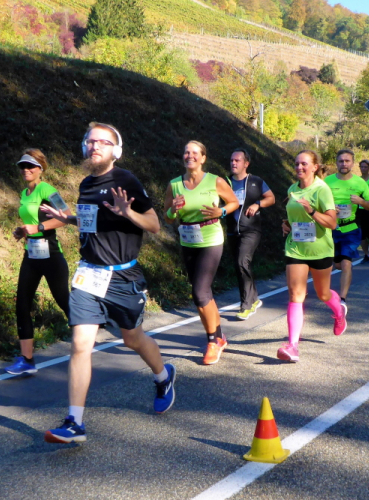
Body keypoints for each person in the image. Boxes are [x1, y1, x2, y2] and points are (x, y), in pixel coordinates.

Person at [40, 122, 175, 444]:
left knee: (132, 339)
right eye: (90, 141)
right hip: (88, 275)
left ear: (116, 150)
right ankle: (75, 422)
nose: (95, 146)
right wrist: (69, 219)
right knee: (80, 344)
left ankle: (163, 376)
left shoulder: (125, 180)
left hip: (122, 277)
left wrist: (129, 213)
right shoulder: (86, 184)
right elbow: (93, 222)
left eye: (103, 142)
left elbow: (154, 225)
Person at [165, 141, 239, 365]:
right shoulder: (174, 184)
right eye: (186, 152)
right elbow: (167, 217)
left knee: (199, 293)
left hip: (211, 239)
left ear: (203, 158)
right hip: (188, 239)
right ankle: (220, 337)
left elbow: (234, 202)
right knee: (204, 293)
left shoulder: (215, 181)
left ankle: (212, 342)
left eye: (195, 153)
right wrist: (173, 209)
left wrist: (221, 211)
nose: (190, 156)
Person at [6, 149, 71, 375]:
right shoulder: (24, 193)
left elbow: (66, 216)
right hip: (31, 254)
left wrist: (39, 227)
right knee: (22, 304)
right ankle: (27, 360)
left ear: (40, 168)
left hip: (51, 254)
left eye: (31, 166)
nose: (26, 170)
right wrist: (23, 231)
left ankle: (85, 340)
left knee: (64, 301)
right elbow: (32, 222)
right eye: (23, 166)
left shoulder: (47, 189)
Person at [278, 150, 347, 363]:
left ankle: (339, 312)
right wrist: (286, 224)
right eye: (296, 164)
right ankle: (293, 346)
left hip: (320, 250)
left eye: (304, 164)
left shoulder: (322, 189)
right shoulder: (292, 189)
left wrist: (312, 212)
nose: (299, 167)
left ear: (315, 167)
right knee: (295, 295)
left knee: (323, 294)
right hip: (296, 248)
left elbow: (332, 223)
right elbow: (293, 217)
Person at [225, 148, 275, 320]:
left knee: (242, 262)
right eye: (231, 160)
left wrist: (258, 204)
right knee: (240, 266)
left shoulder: (256, 181)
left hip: (251, 229)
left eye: (237, 160)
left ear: (246, 163)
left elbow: (271, 198)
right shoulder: (225, 182)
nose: (233, 163)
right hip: (232, 230)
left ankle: (246, 305)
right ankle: (254, 299)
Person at [325, 150, 369, 307]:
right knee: (337, 264)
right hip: (330, 228)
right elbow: (317, 203)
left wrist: (362, 202)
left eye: (347, 161)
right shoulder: (327, 181)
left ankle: (342, 300)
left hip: (350, 228)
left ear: (352, 163)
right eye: (341, 161)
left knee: (346, 264)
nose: (344, 164)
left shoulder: (360, 183)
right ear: (336, 163)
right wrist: (328, 209)